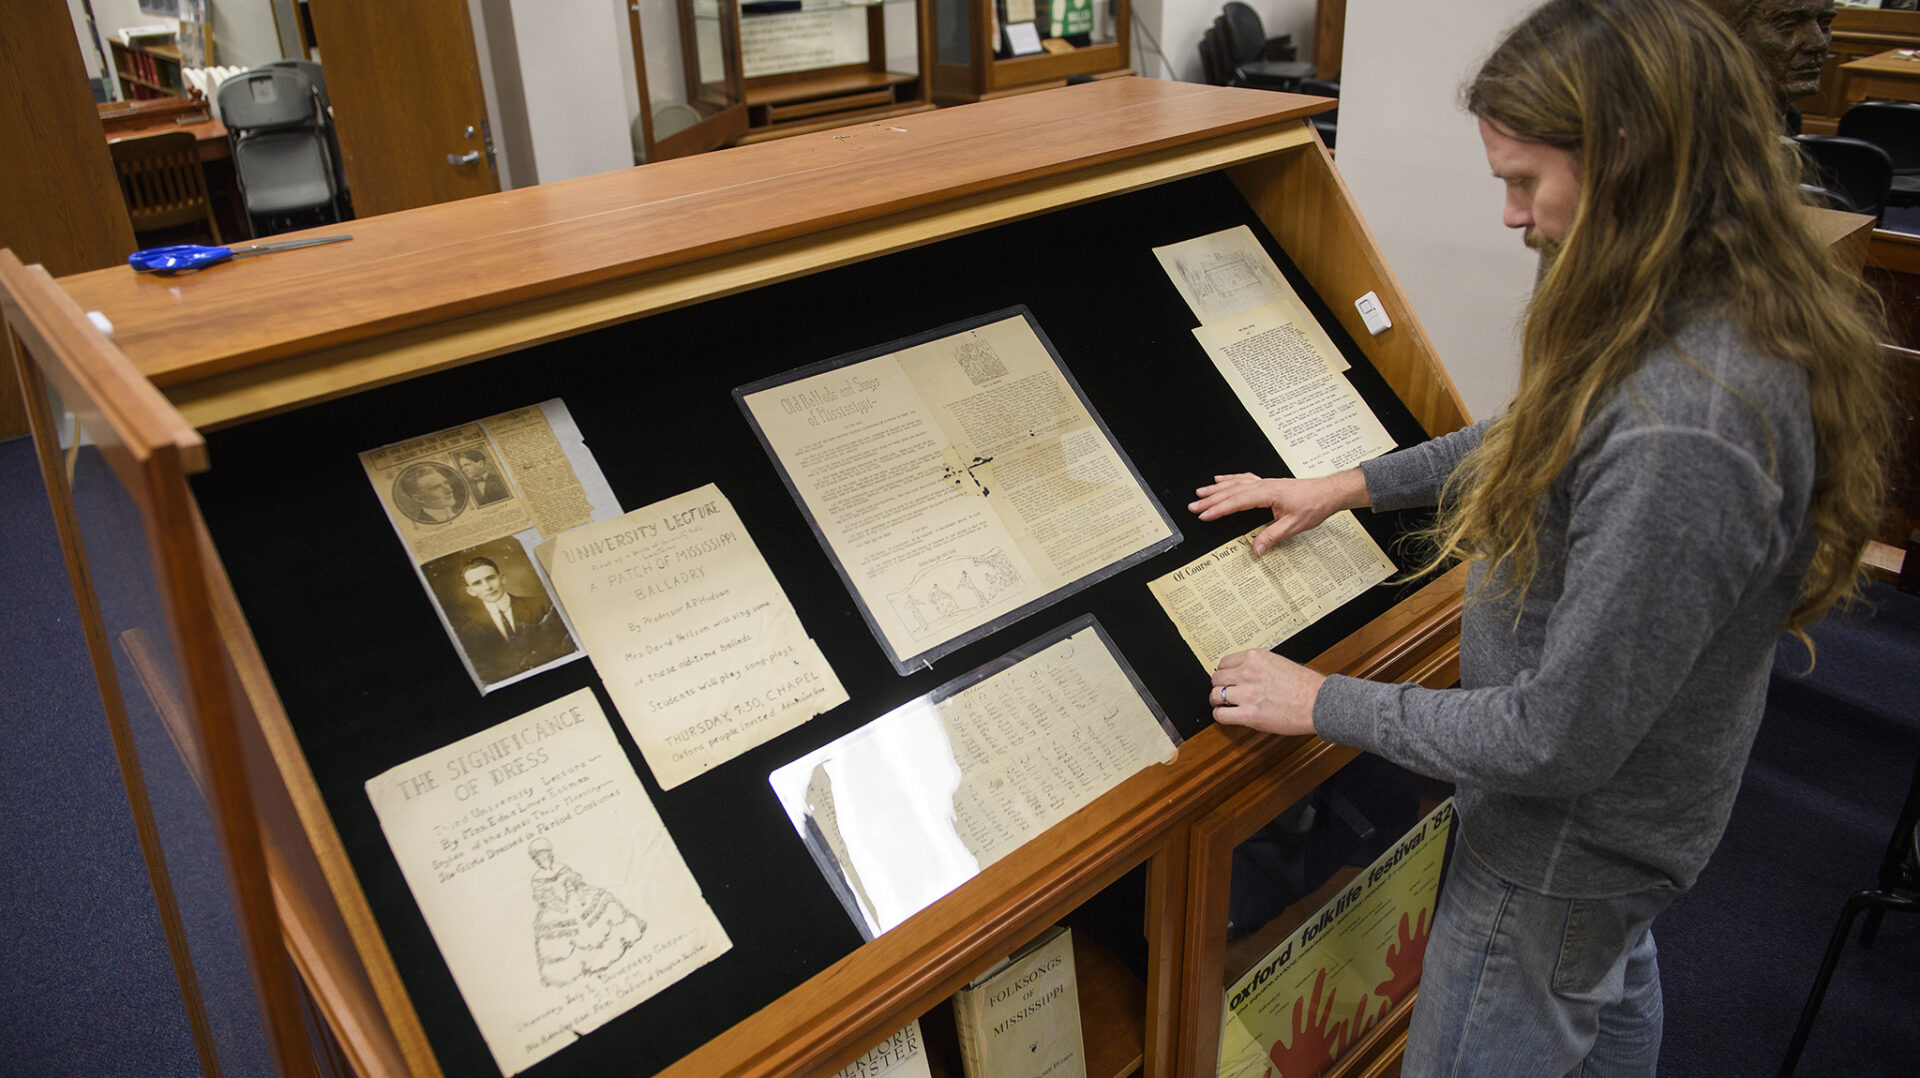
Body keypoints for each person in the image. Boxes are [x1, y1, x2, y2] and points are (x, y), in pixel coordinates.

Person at [1189, 0, 1889, 1073]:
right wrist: (1351, 484)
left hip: (1566, 846)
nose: (1514, 216)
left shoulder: (1685, 425)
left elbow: (1556, 740)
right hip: (1630, 830)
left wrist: (1318, 700)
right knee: (1605, 997)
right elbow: (1544, 432)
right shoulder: (1694, 293)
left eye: (1526, 180)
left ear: (1631, 161)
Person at [1703, 0, 1837, 132]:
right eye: (1788, 24)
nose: (1819, 43)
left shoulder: (1789, 119)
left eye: (1824, 24)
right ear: (1726, 32)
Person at [453, 556, 576, 683]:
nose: (487, 587)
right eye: (477, 583)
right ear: (470, 591)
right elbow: (485, 674)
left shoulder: (541, 605)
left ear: (502, 579)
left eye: (490, 578)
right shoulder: (469, 630)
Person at [397, 463, 464, 524]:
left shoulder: (459, 512)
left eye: (446, 483)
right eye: (436, 487)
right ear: (419, 498)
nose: (449, 490)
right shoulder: (421, 522)